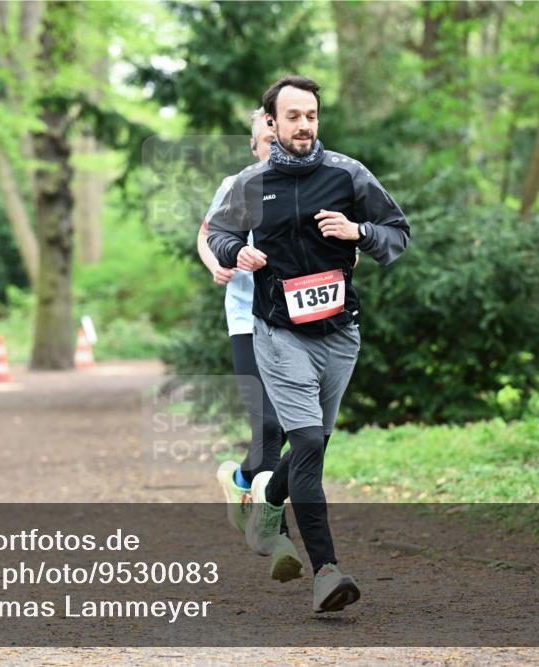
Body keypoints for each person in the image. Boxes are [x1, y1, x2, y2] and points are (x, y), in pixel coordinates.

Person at [207, 75, 410, 612]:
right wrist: (237, 254)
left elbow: (397, 231)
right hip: (278, 333)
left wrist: (358, 232)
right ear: (271, 123)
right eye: (293, 116)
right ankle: (327, 573)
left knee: (311, 443)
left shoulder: (347, 174)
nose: (304, 126)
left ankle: (266, 509)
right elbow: (216, 234)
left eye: (312, 116)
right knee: (310, 447)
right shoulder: (249, 183)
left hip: (340, 334)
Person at [196, 108, 303, 584]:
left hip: (299, 319)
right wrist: (216, 264)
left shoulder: (311, 181)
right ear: (256, 140)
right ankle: (275, 533)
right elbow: (205, 235)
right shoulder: (236, 185)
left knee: (293, 434)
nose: (272, 135)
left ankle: (242, 482)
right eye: (264, 129)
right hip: (246, 318)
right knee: (270, 425)